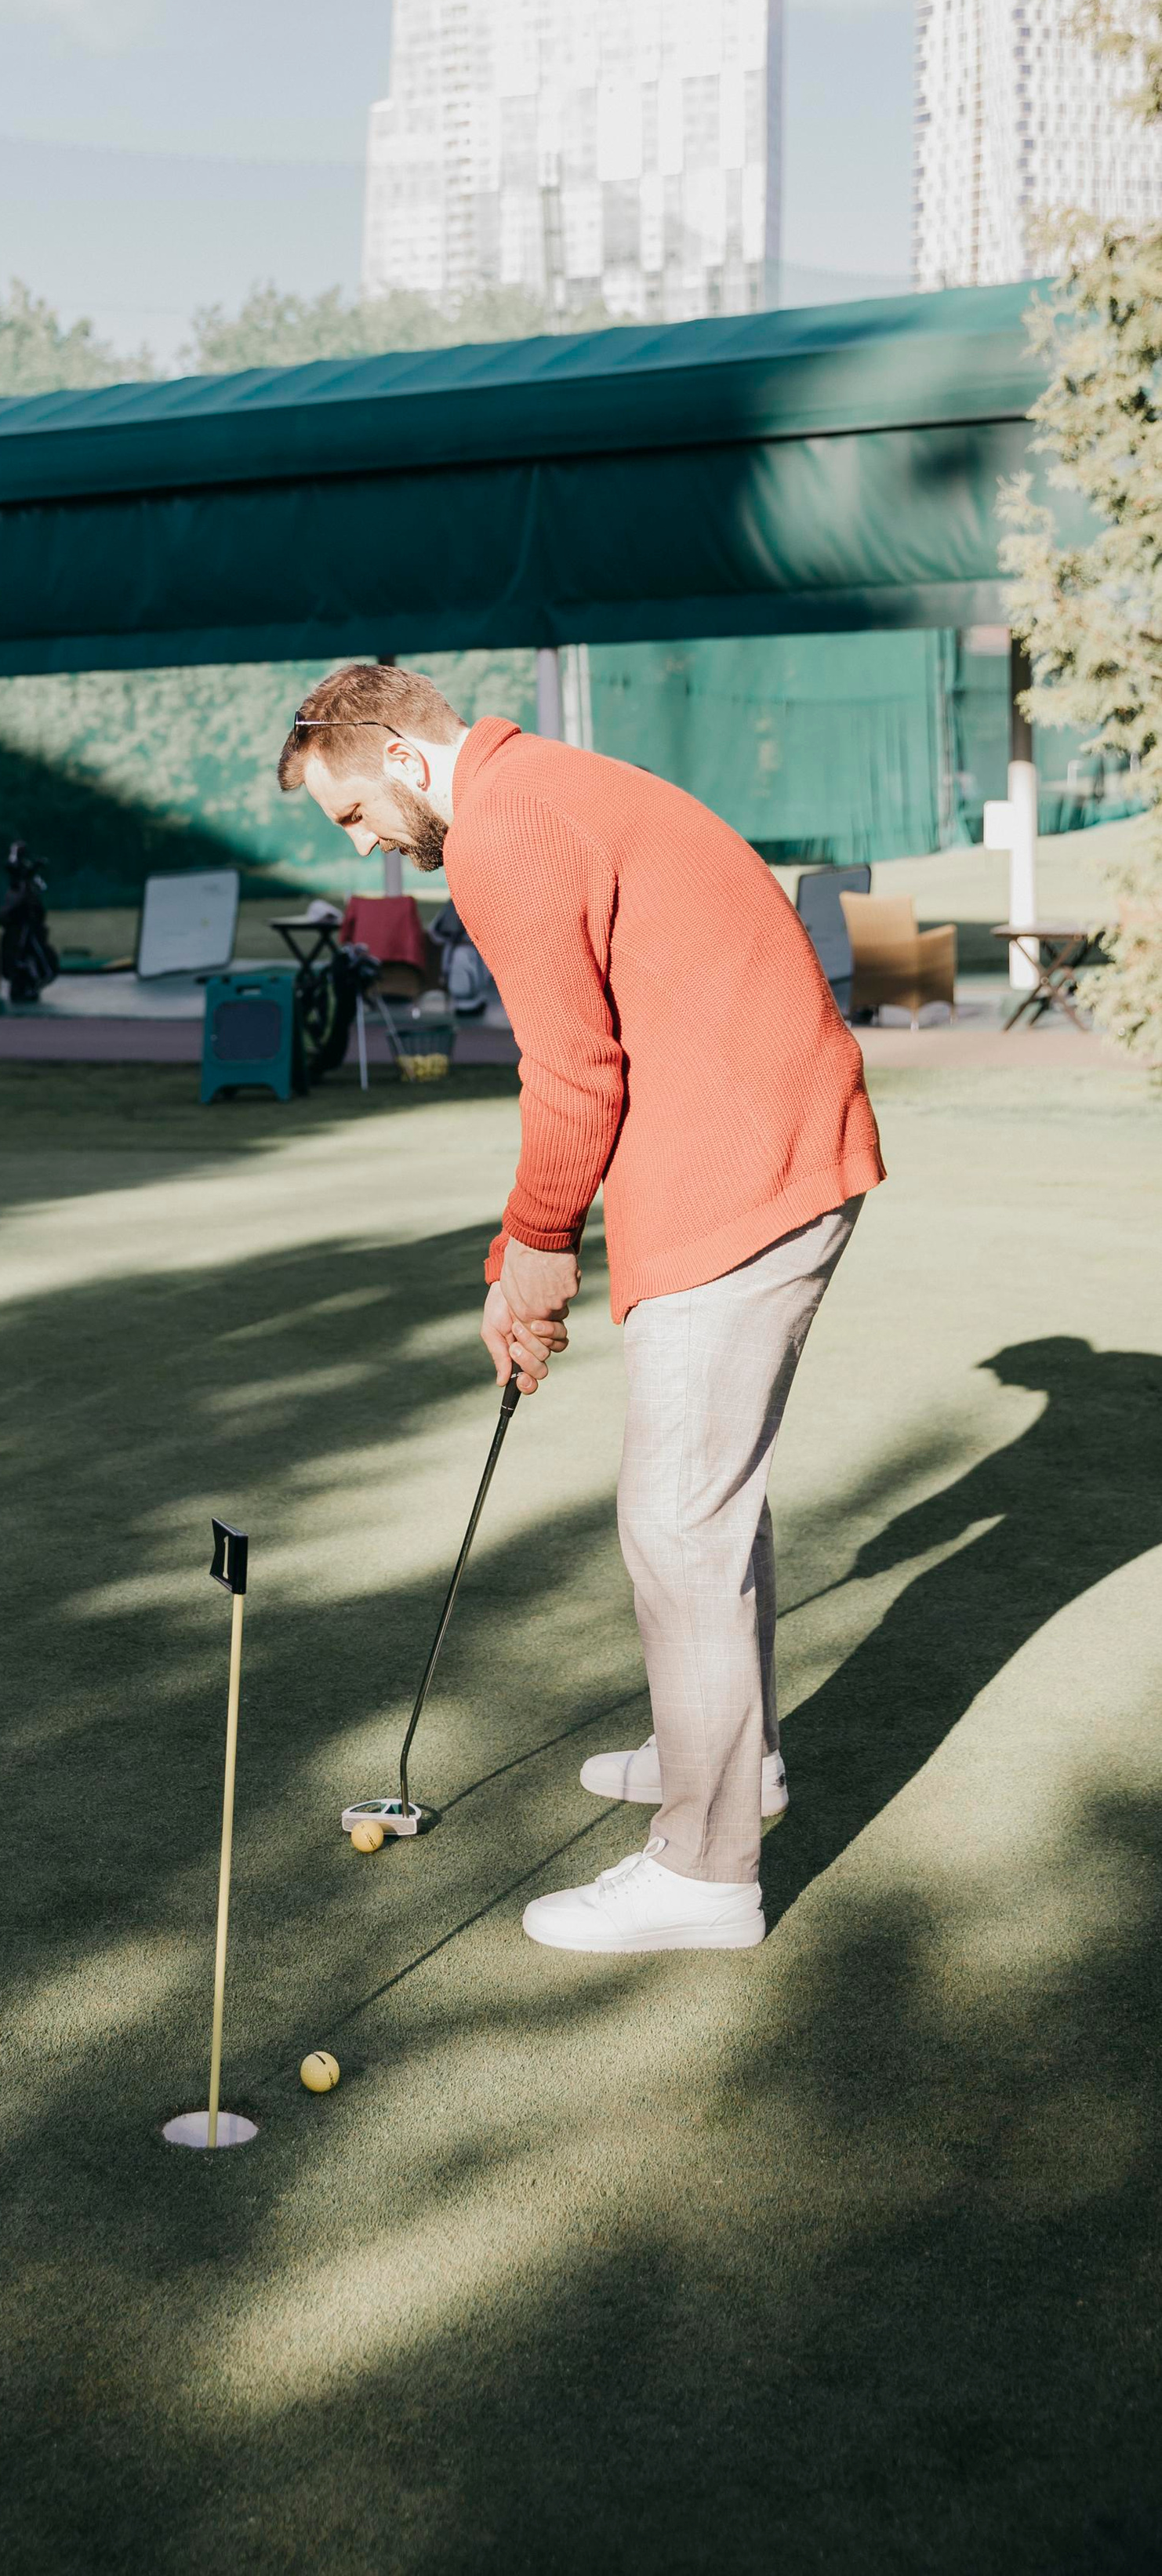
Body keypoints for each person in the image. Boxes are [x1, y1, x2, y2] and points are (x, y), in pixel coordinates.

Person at [278, 663, 883, 1957]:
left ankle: (707, 1871)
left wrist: (538, 1247)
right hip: (754, 1143)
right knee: (704, 1503)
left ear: (392, 752)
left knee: (679, 1516)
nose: (371, 852)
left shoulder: (501, 827)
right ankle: (724, 1757)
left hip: (746, 1160)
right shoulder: (541, 787)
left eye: (352, 816)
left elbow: (573, 1074)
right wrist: (525, 1244)